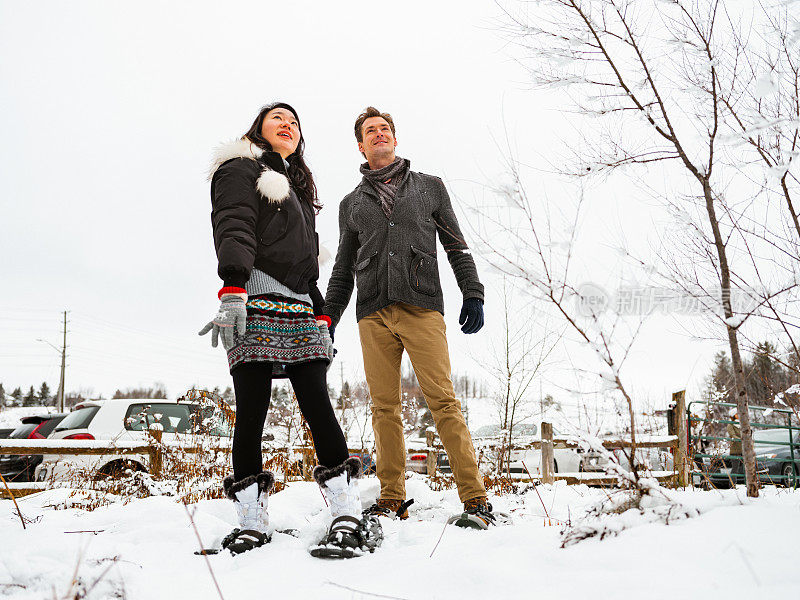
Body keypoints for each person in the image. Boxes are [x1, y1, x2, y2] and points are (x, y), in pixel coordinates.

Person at [201, 102, 380, 557]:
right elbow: (234, 226)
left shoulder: (297, 189)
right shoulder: (240, 167)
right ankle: (251, 522)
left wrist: (321, 309)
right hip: (253, 301)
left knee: (318, 406)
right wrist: (234, 288)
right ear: (258, 128)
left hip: (301, 308)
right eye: (278, 118)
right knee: (252, 411)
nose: (289, 125)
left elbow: (306, 265)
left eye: (296, 122)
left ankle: (346, 512)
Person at [323, 106, 495, 529]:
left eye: (385, 129)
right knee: (384, 408)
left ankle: (475, 499)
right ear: (360, 145)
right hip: (372, 315)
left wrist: (472, 291)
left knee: (444, 402)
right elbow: (343, 269)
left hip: (421, 308)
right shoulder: (351, 204)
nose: (379, 134)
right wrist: (328, 317)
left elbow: (456, 245)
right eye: (370, 131)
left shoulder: (429, 188)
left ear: (395, 139)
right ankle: (391, 496)